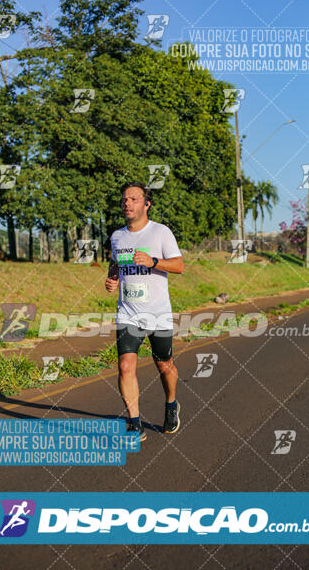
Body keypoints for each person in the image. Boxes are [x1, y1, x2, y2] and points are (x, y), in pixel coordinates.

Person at [105, 182, 184, 441]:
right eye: (125, 199)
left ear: (146, 204)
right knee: (126, 365)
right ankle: (134, 421)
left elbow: (180, 266)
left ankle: (171, 404)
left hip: (158, 312)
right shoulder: (117, 236)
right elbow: (115, 263)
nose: (127, 203)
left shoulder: (161, 233)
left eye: (134, 199)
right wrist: (112, 279)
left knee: (164, 365)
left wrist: (154, 262)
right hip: (127, 313)